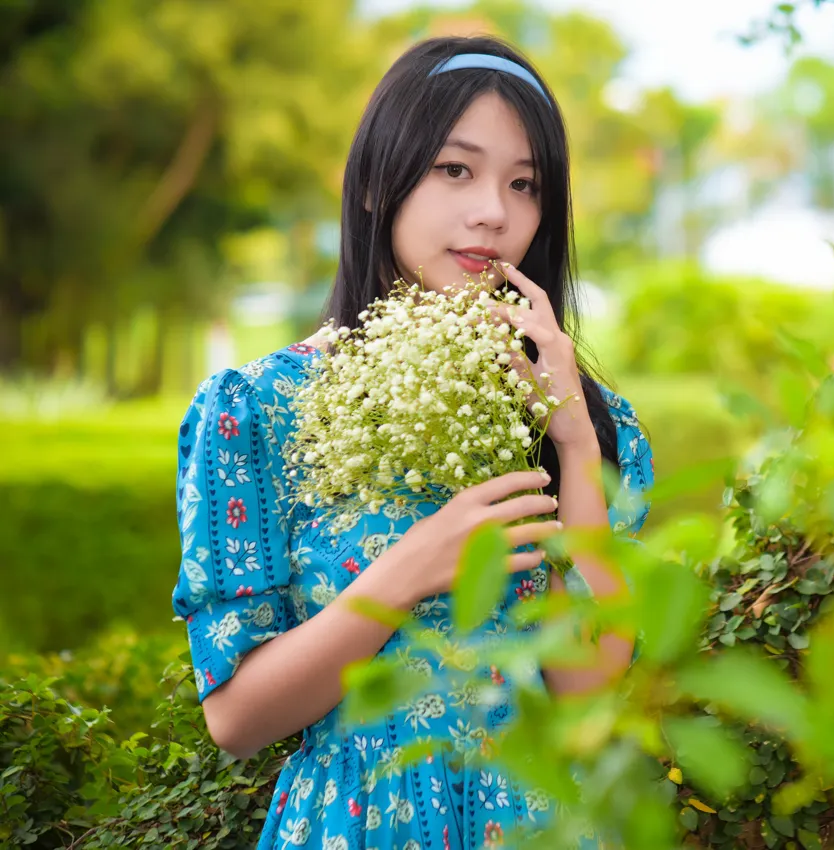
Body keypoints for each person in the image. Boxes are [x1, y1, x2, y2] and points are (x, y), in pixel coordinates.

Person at [171, 35, 654, 850]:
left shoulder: (592, 424)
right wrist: (410, 568)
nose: (494, 212)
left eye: (524, 183)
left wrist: (573, 443)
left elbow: (591, 690)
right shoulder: (253, 409)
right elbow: (238, 718)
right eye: (454, 169)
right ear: (372, 186)